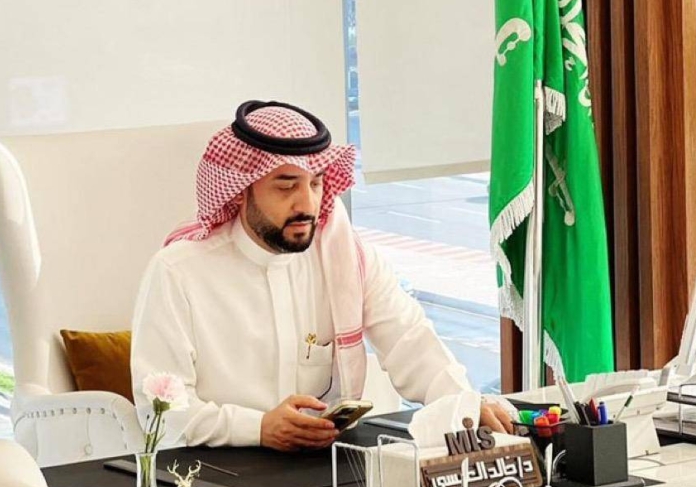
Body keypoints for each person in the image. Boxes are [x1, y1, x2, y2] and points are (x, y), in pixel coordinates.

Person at [131, 100, 513, 450]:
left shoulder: (344, 258)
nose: (307, 204)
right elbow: (161, 413)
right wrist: (258, 427)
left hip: (322, 467)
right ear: (242, 191)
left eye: (315, 184)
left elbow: (409, 339)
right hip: (214, 474)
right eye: (286, 186)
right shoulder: (179, 272)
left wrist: (464, 403)